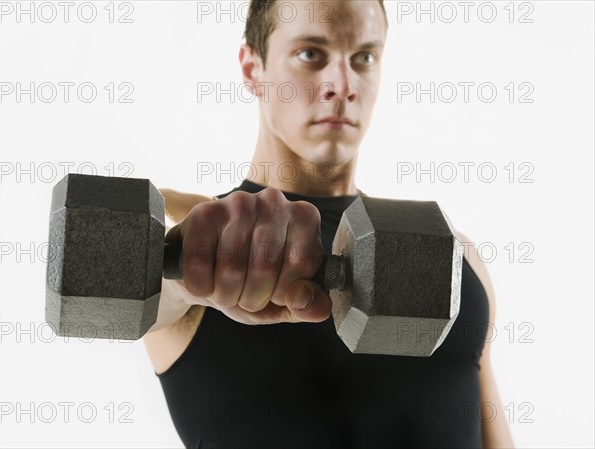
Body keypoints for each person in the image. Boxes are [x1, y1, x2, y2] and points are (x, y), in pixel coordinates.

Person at [143, 1, 514, 447]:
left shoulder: (458, 255)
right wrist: (189, 276)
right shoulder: (193, 240)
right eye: (311, 54)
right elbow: (153, 301)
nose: (343, 85)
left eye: (364, 58)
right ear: (252, 67)